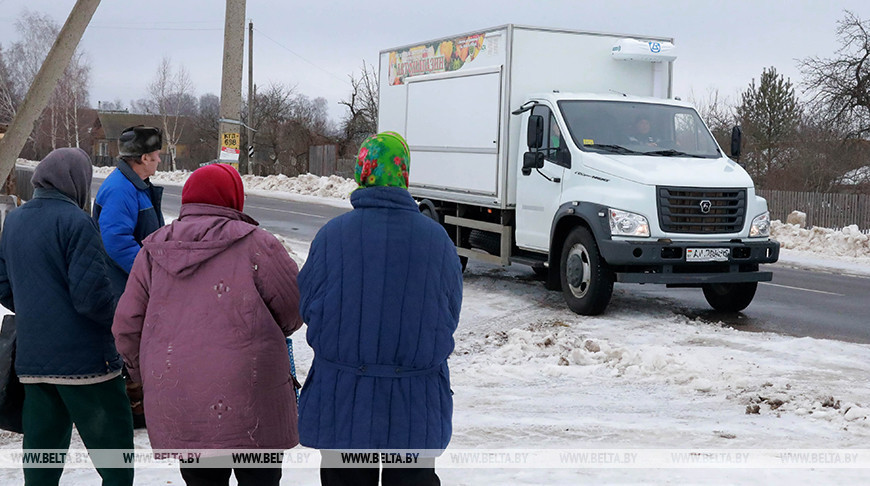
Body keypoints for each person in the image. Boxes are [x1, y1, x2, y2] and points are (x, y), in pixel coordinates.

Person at [113, 163, 302, 486]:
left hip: (181, 394)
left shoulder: (153, 251)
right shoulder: (258, 243)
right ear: (233, 198)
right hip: (254, 393)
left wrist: (142, 374)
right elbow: (294, 309)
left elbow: (127, 326)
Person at [297, 132, 463, 486]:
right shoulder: (437, 240)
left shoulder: (331, 236)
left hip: (344, 399)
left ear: (363, 172)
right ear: (403, 174)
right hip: (414, 402)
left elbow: (307, 304)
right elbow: (450, 312)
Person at [0, 148, 134, 486]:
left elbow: (3, 286)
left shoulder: (14, 219)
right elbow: (92, 300)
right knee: (115, 455)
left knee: (42, 457)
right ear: (77, 181)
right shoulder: (76, 221)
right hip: (87, 365)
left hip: (32, 362)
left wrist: (38, 308)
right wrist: (124, 321)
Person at [93, 125, 165, 428]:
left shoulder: (134, 185)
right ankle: (131, 410)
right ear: (144, 157)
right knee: (129, 347)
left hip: (130, 283)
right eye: (157, 155)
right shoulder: (121, 189)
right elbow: (117, 241)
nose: (160, 160)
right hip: (123, 285)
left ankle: (138, 405)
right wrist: (150, 274)